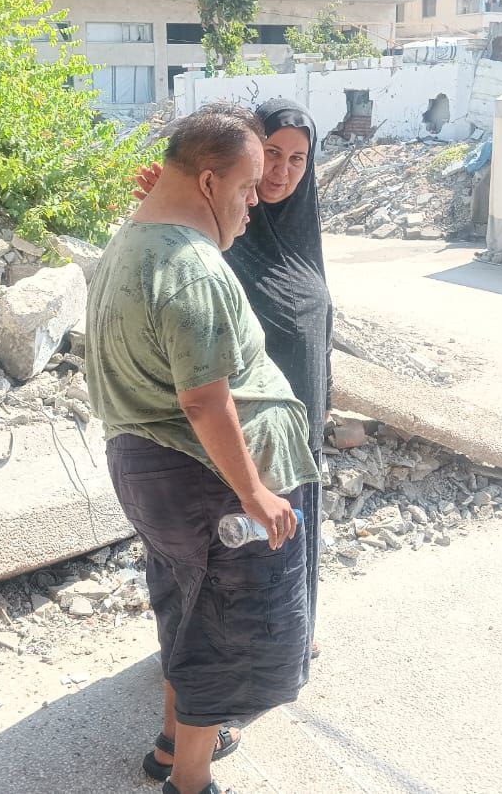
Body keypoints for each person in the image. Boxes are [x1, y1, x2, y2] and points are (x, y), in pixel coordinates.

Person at [86, 104, 319, 794]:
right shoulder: (192, 267)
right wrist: (256, 492)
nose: (256, 204)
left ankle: (172, 742)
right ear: (211, 183)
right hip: (206, 483)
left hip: (154, 468)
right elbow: (204, 399)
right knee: (223, 633)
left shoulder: (130, 242)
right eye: (249, 188)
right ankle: (189, 782)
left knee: (187, 611)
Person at [135, 99, 333, 661]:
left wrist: (319, 411)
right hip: (229, 442)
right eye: (271, 153)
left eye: (299, 159)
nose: (282, 171)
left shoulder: (299, 233)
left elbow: (316, 331)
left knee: (290, 546)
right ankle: (211, 694)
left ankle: (289, 637)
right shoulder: (212, 234)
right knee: (228, 571)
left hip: (293, 433)